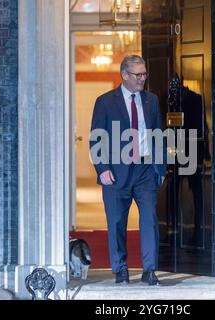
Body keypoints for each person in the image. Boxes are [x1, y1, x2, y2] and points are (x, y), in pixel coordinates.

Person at [89, 55, 167, 285]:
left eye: (144, 74)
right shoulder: (105, 102)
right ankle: (120, 269)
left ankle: (149, 270)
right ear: (124, 75)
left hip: (145, 170)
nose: (143, 79)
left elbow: (158, 136)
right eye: (138, 75)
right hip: (115, 171)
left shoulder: (151, 100)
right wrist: (102, 168)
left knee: (150, 220)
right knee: (116, 221)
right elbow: (96, 139)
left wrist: (160, 168)